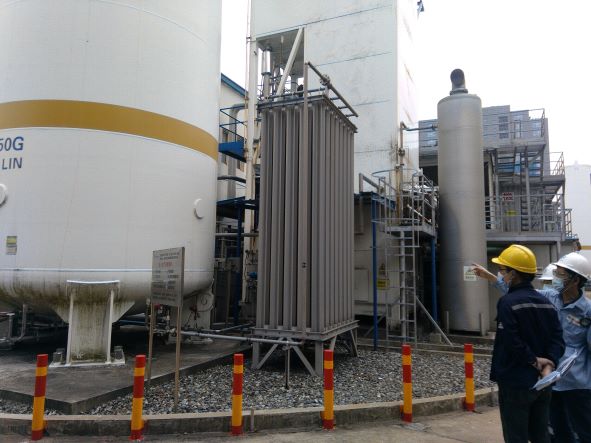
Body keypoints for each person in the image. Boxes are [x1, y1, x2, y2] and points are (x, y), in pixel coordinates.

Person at [474, 252, 591, 443]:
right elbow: (519, 294)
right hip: (549, 378)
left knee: (584, 429)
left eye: (560, 274)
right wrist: (492, 278)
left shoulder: (587, 311)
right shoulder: (549, 298)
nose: (555, 278)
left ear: (575, 279)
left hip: (576, 382)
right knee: (557, 431)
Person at [487, 244, 565, 443]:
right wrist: (549, 363)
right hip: (543, 381)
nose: (501, 274)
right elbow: (558, 338)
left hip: (515, 381)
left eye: (503, 270)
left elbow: (511, 341)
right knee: (541, 435)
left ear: (513, 274)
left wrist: (533, 360)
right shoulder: (546, 303)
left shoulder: (508, 302)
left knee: (516, 436)